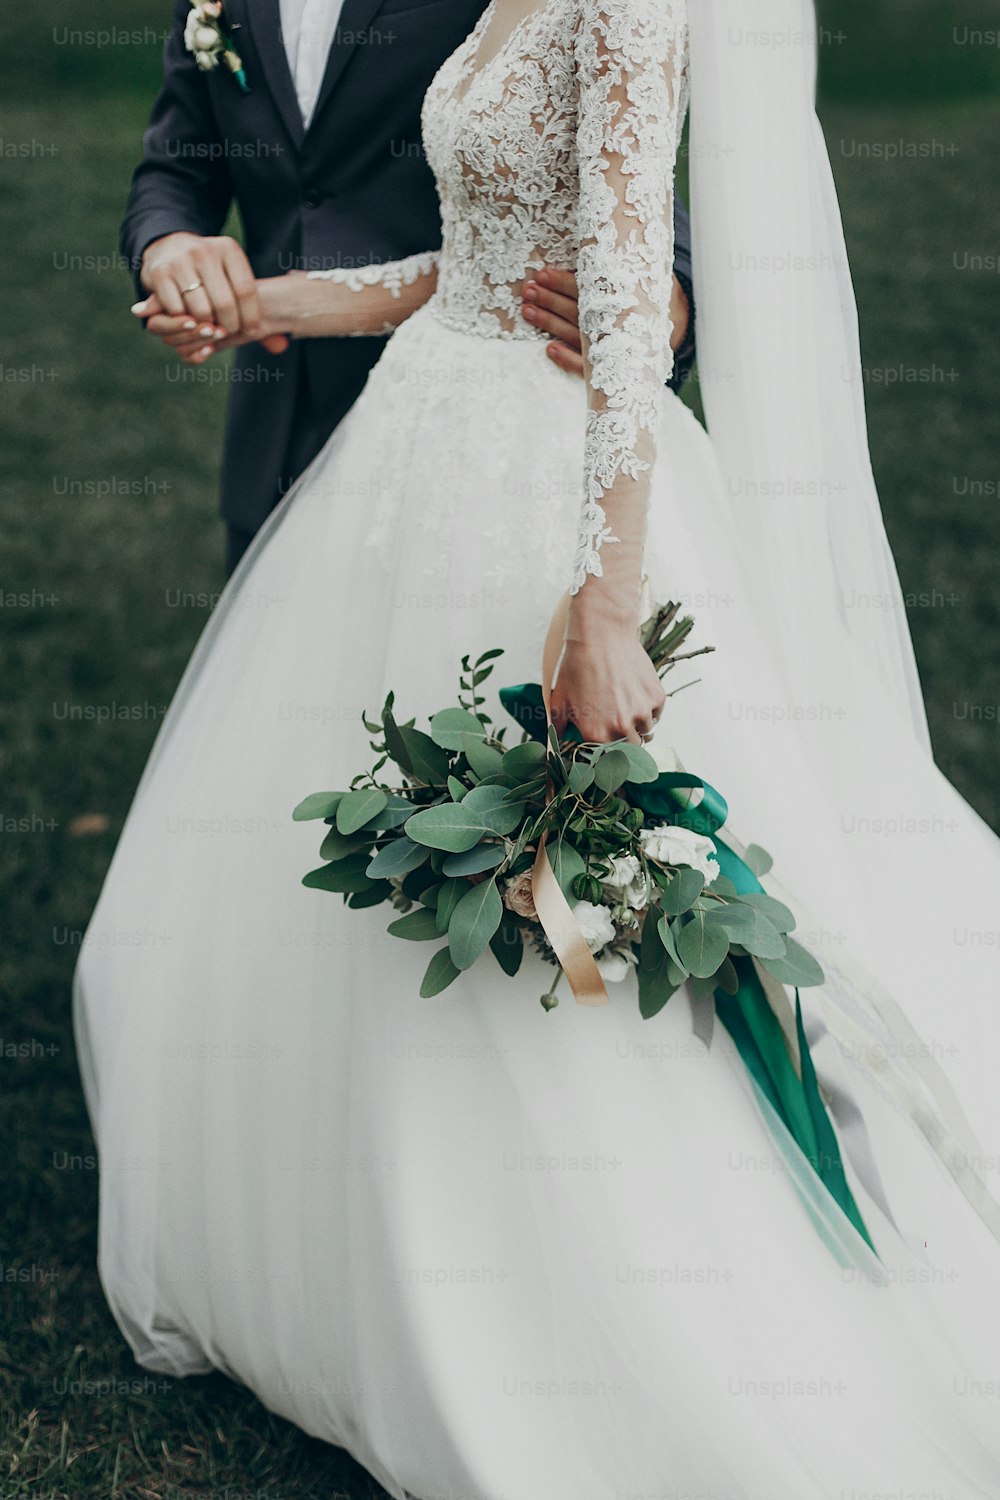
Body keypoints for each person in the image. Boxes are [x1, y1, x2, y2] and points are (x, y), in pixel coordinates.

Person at [77, 0, 1000, 1495]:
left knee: (562, 921)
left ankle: (569, 1303)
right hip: (419, 444)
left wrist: (606, 600)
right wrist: (274, 306)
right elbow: (483, 272)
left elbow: (630, 291)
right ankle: (357, 1242)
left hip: (544, 491)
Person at [121, 0, 694, 574]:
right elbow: (180, 158)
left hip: (490, 439)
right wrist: (167, 242)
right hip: (279, 414)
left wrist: (670, 292)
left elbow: (615, 145)